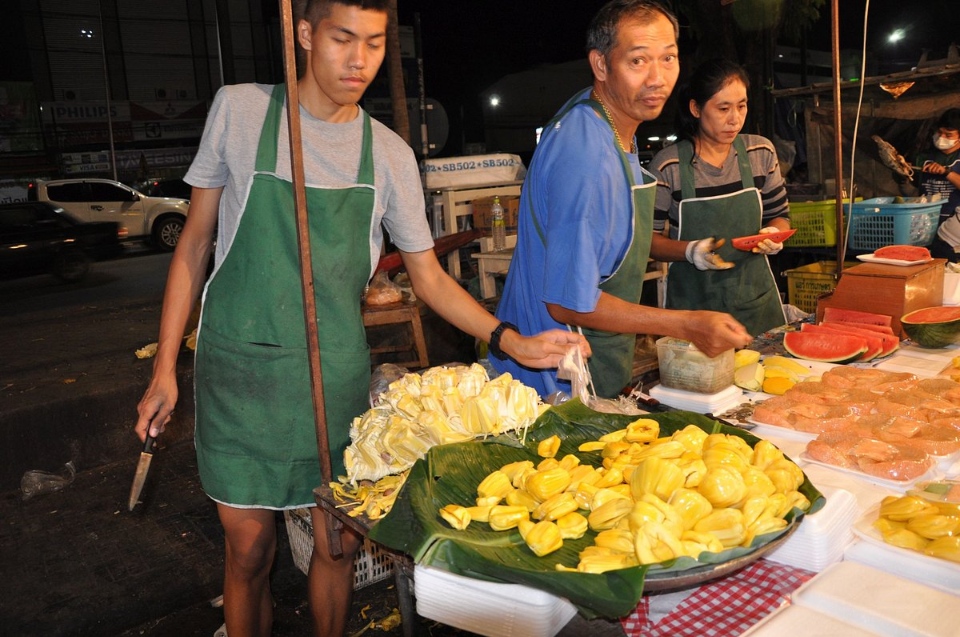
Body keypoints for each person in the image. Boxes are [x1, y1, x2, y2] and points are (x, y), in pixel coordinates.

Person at [133, 2, 588, 636]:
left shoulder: (390, 154)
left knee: (337, 546)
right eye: (342, 39)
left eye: (374, 44)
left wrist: (510, 338)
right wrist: (164, 370)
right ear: (303, 33)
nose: (358, 61)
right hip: (239, 376)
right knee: (249, 553)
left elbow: (428, 277)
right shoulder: (239, 112)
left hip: (334, 374)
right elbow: (193, 245)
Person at [492, 0, 752, 400]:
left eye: (668, 58)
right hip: (552, 379)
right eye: (638, 61)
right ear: (600, 65)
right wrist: (686, 324)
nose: (658, 78)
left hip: (593, 358)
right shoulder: (585, 150)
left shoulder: (608, 125)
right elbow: (567, 302)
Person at [649, 58, 791, 336]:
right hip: (693, 311)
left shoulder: (760, 153)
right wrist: (690, 251)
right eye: (723, 108)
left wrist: (774, 234)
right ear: (696, 109)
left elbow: (780, 216)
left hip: (755, 304)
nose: (735, 118)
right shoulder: (669, 166)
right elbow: (649, 242)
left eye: (742, 105)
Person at [914, 108, 960, 260]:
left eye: (948, 135)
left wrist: (946, 172)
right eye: (939, 133)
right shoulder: (923, 158)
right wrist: (902, 179)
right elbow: (913, 192)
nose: (942, 138)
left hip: (953, 231)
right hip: (924, 226)